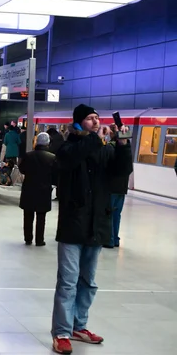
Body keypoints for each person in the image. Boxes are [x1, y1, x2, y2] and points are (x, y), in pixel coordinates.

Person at [51, 104, 132, 354]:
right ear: (78, 123)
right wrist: (97, 140)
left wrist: (123, 145)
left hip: (96, 224)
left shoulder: (103, 149)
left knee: (89, 281)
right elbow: (71, 158)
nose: (96, 122)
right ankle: (62, 332)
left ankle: (79, 326)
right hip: (73, 224)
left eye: (97, 118)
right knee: (68, 281)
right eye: (90, 118)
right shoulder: (67, 147)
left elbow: (122, 171)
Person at [19, 132, 56, 246]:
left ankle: (28, 238)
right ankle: (39, 240)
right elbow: (55, 173)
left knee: (28, 216)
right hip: (44, 190)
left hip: (29, 188)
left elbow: (22, 169)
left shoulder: (28, 155)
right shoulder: (52, 157)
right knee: (41, 217)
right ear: (48, 143)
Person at [106, 127, 133, 248]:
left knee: (109, 214)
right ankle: (115, 238)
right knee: (117, 214)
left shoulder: (110, 147)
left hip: (111, 187)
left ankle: (110, 239)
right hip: (122, 188)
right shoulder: (127, 149)